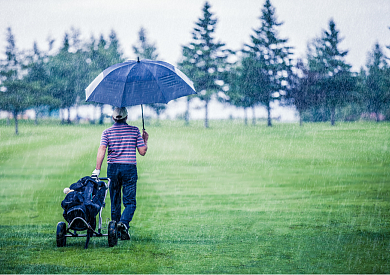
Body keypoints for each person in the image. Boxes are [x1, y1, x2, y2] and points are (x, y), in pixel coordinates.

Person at [92, 107, 148, 240]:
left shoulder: (107, 132)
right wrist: (145, 139)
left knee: (115, 200)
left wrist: (97, 169)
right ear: (126, 117)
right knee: (130, 202)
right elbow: (142, 152)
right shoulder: (134, 131)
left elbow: (102, 149)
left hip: (113, 169)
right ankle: (123, 223)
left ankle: (115, 229)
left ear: (113, 118)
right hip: (129, 168)